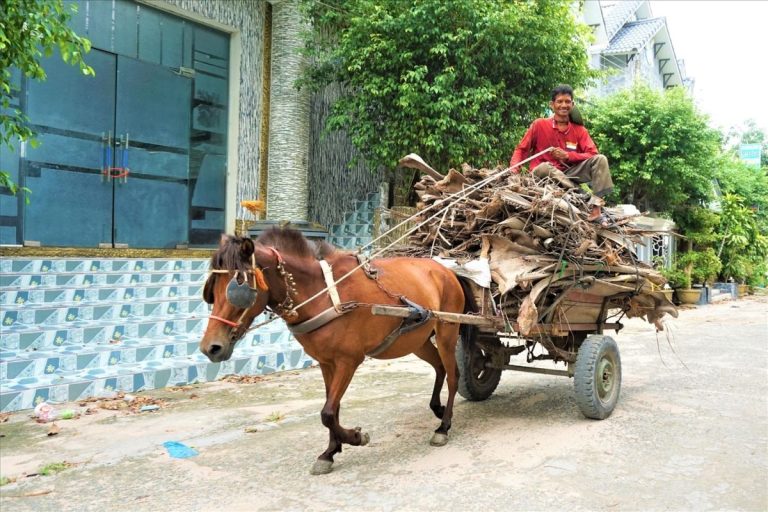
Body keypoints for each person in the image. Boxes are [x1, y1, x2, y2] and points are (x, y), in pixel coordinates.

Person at [509, 84, 614, 225]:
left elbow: (592, 153)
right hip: (542, 175)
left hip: (569, 173)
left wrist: (568, 156)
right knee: (545, 167)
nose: (564, 105)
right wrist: (513, 172)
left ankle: (596, 210)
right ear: (552, 105)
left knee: (601, 159)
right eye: (559, 101)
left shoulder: (580, 130)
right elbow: (521, 149)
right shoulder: (539, 124)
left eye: (567, 102)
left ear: (572, 104)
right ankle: (579, 192)